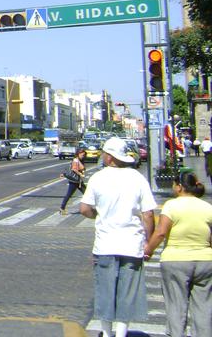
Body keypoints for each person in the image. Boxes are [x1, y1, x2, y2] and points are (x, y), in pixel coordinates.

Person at [80, 136, 156, 337]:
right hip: (132, 244)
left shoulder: (98, 178)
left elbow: (85, 209)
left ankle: (106, 333)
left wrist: (99, 215)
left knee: (105, 290)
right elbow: (148, 214)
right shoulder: (137, 178)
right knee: (127, 292)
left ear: (108, 157)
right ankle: (121, 333)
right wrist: (149, 241)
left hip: (105, 244)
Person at [144, 171, 212, 337]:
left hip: (176, 260)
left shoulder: (171, 206)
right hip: (205, 261)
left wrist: (149, 250)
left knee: (176, 306)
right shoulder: (208, 207)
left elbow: (161, 232)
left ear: (180, 187)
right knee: (204, 307)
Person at [59, 148, 86, 215]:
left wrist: (82, 171)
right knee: (69, 195)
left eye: (84, 155)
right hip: (74, 181)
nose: (83, 156)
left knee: (87, 193)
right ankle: (62, 208)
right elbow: (74, 169)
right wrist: (80, 174)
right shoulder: (76, 160)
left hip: (78, 181)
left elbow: (81, 168)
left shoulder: (79, 160)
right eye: (82, 155)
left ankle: (62, 208)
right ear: (78, 154)